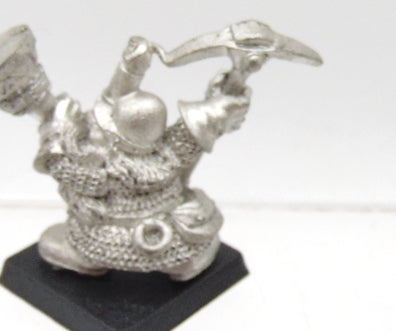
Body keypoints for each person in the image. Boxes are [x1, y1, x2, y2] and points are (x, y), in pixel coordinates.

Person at [33, 36, 249, 280]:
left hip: (114, 236)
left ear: (117, 137)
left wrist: (61, 134)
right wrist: (230, 87)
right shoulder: (171, 149)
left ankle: (89, 260)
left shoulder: (107, 171)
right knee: (193, 224)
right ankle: (184, 263)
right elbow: (199, 124)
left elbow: (64, 168)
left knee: (72, 239)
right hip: (174, 229)